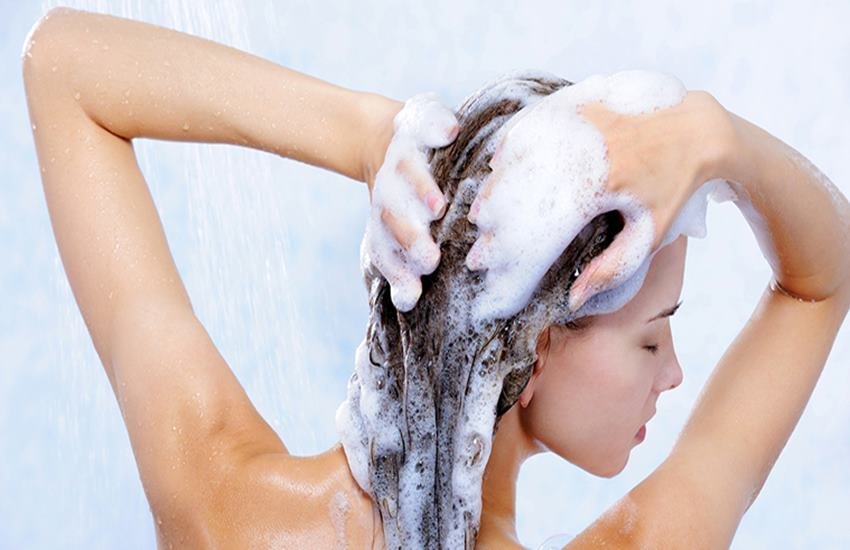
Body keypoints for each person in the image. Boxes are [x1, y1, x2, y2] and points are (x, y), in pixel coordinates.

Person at [22, 7, 850, 550]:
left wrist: (371, 135)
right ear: (528, 350)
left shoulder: (225, 508)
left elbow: (64, 67)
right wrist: (714, 136)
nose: (673, 374)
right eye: (651, 336)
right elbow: (824, 281)